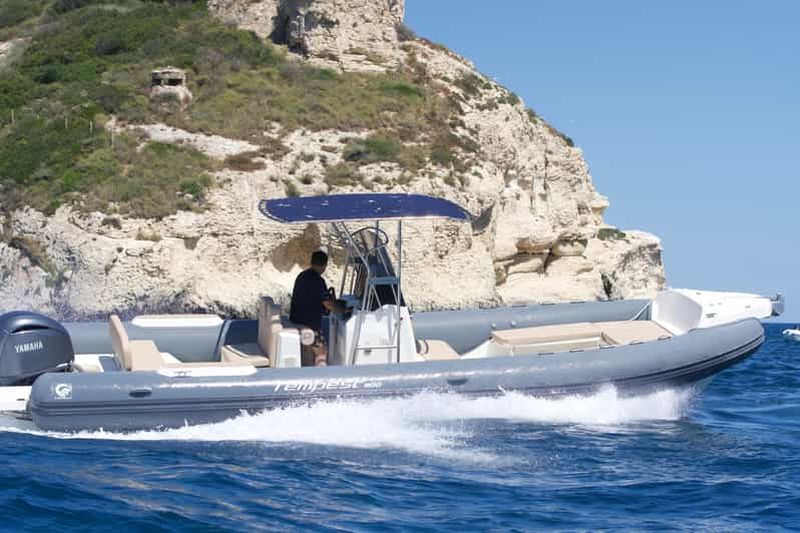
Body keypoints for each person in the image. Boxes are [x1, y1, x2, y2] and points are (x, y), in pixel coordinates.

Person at [289, 251, 345, 366]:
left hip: (296, 321)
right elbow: (328, 304)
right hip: (309, 325)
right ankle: (321, 375)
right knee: (321, 350)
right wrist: (344, 310)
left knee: (308, 353)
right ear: (324, 266)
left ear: (311, 262)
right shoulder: (318, 281)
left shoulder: (302, 276)